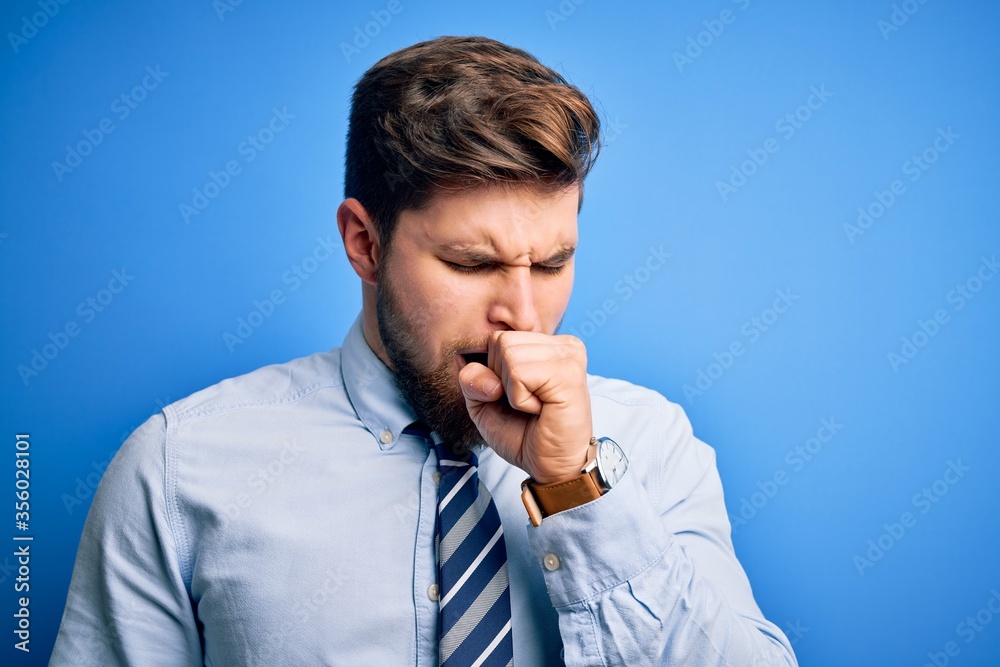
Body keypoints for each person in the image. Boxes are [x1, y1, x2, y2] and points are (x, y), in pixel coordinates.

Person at [50, 35, 798, 666]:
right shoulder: (178, 470)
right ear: (364, 242)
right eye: (472, 263)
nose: (523, 316)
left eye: (551, 263)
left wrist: (578, 488)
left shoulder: (651, 446)